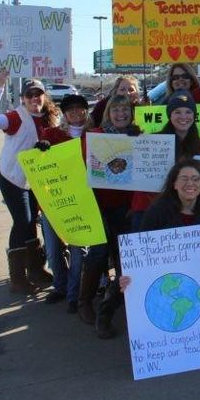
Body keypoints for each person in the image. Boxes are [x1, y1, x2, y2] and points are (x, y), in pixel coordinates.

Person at [0, 71, 58, 294]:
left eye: (38, 94)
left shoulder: (50, 117)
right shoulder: (16, 117)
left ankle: (34, 269)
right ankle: (17, 277)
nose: (35, 98)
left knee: (32, 221)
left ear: (44, 97)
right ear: (23, 98)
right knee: (22, 221)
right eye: (30, 95)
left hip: (36, 180)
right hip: (13, 177)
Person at [79, 94, 140, 338]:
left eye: (125, 109)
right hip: (99, 204)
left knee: (125, 255)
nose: (121, 114)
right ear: (108, 113)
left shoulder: (139, 135)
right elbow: (81, 164)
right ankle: (85, 302)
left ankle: (123, 300)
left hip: (126, 206)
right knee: (98, 253)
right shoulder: (94, 135)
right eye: (116, 110)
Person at [119, 160, 200, 294]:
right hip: (164, 284)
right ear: (174, 184)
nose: (190, 183)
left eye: (196, 179)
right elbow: (142, 252)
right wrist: (129, 277)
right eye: (184, 179)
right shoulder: (157, 212)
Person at [36, 94, 90, 310]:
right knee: (52, 248)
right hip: (54, 200)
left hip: (82, 200)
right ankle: (60, 285)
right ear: (64, 113)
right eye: (70, 110)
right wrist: (41, 150)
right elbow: (39, 163)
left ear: (86, 111)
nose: (76, 113)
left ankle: (73, 293)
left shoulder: (94, 135)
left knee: (79, 249)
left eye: (80, 108)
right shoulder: (51, 133)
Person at [130, 91, 200, 230]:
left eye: (188, 112)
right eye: (177, 112)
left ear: (194, 115)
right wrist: (131, 140)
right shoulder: (153, 141)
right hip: (151, 209)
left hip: (188, 211)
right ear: (170, 115)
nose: (183, 117)